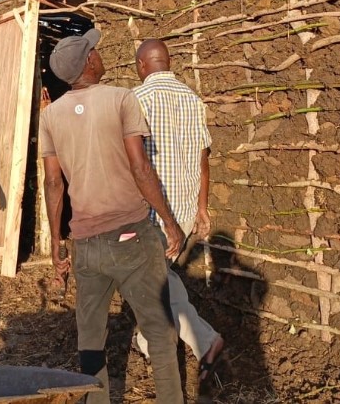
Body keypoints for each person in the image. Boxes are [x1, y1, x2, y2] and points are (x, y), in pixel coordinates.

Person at [40, 28, 184, 404]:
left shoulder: (51, 115)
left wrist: (56, 242)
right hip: (131, 234)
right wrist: (169, 221)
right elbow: (140, 168)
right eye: (96, 51)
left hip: (85, 243)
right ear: (89, 62)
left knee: (90, 339)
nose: (100, 55)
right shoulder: (122, 98)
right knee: (159, 331)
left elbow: (53, 184)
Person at [132, 38, 225, 381]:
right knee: (160, 278)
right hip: (184, 210)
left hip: (154, 213)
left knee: (153, 282)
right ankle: (145, 339)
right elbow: (204, 157)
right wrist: (202, 207)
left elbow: (134, 163)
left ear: (142, 66)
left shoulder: (137, 99)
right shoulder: (192, 99)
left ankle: (204, 341)